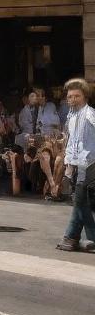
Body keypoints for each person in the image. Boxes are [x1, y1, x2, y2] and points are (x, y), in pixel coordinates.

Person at [56, 78, 95, 252]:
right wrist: (68, 164)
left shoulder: (89, 115)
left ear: (85, 96)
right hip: (77, 165)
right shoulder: (71, 115)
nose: (72, 99)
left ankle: (90, 237)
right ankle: (70, 238)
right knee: (80, 202)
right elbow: (72, 142)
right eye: (69, 96)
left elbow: (86, 145)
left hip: (89, 164)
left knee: (80, 201)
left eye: (76, 96)